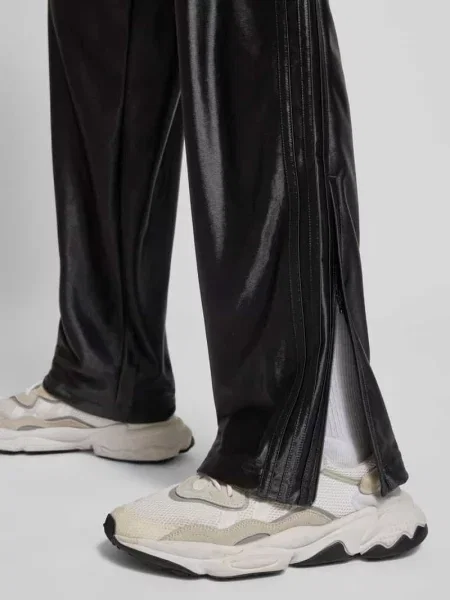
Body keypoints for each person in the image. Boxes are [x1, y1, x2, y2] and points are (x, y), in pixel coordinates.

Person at [0, 0, 427, 579]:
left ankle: (319, 458)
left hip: (312, 458)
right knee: (101, 15)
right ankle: (107, 372)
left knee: (244, 17)